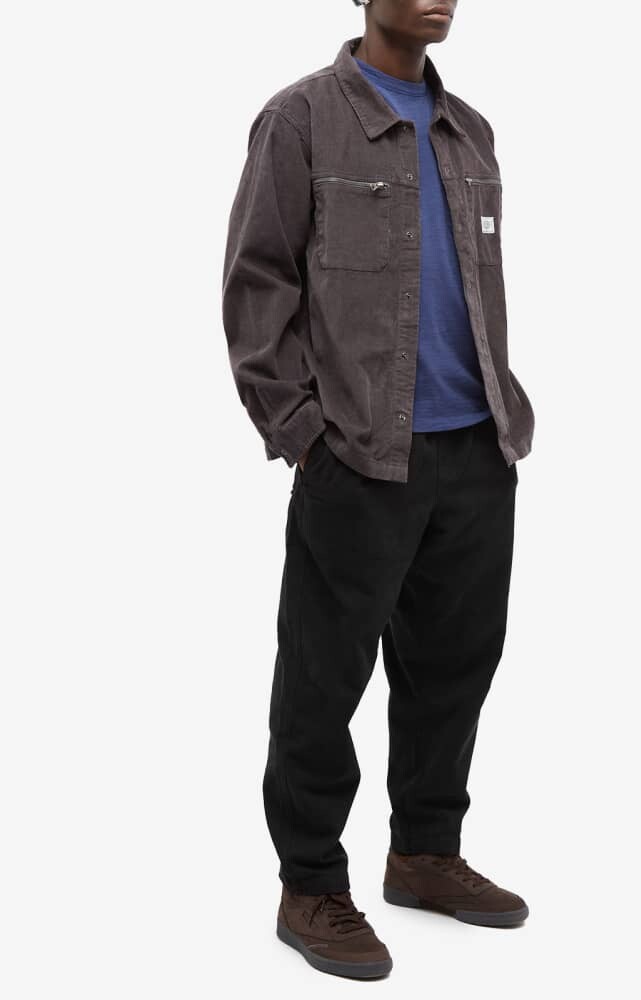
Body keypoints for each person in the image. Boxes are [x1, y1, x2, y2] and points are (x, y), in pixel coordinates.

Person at [222, 0, 535, 980]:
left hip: (475, 447)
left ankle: (425, 853)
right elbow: (256, 283)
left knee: (454, 667)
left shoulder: (470, 131)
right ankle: (310, 883)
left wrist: (496, 424)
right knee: (321, 681)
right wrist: (301, 434)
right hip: (358, 454)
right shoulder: (300, 120)